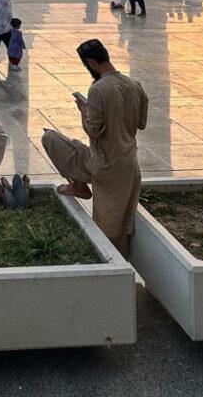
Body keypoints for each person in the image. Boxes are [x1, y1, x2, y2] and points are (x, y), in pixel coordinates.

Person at [41, 39, 148, 256]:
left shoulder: (98, 89)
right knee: (55, 140)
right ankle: (79, 185)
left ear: (91, 63)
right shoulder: (135, 85)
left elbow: (93, 130)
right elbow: (141, 123)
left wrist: (84, 110)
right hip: (128, 164)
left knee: (108, 230)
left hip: (107, 166)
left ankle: (113, 274)